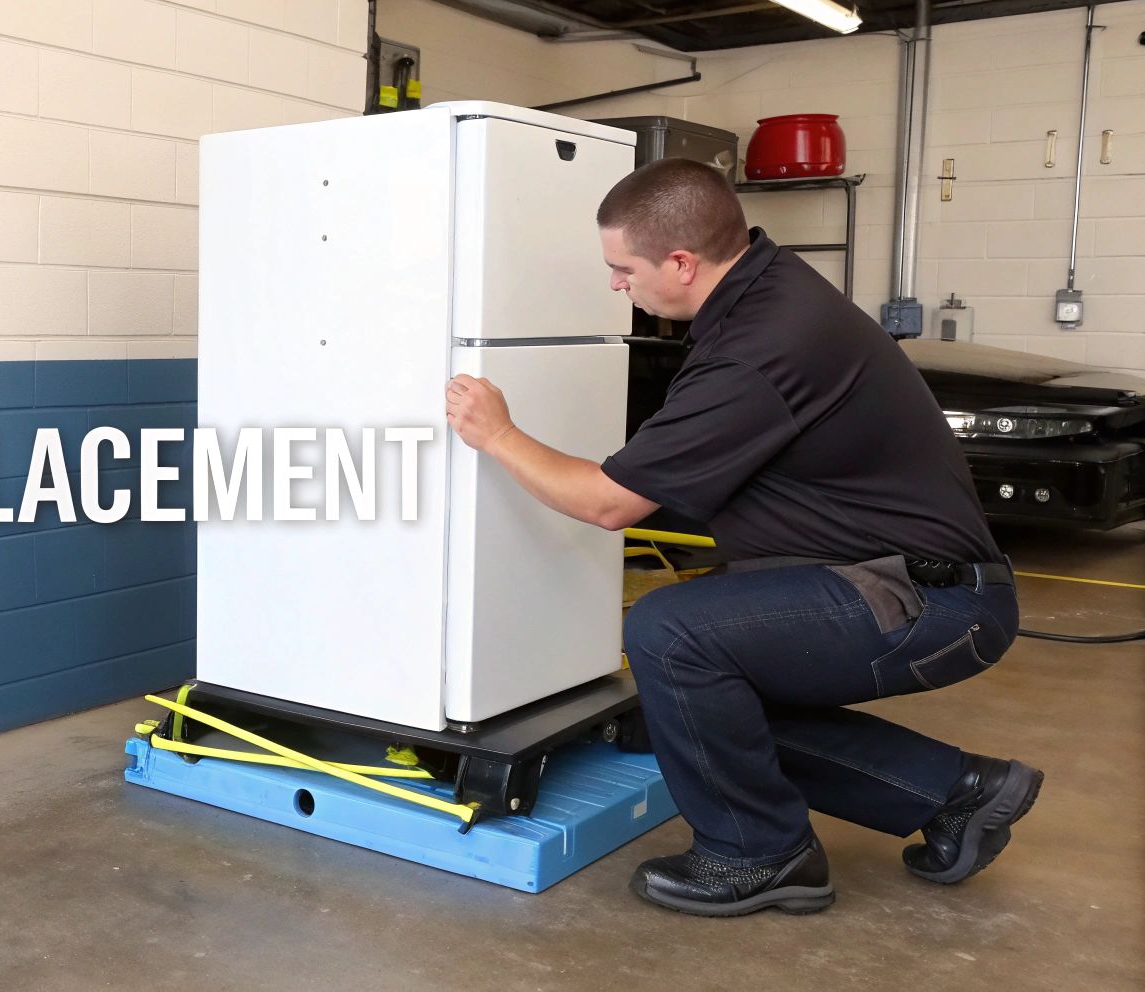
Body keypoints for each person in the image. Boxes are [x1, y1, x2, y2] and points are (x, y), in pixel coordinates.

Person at [442, 158, 1042, 918]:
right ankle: (959, 793)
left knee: (670, 635)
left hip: (927, 603)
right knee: (690, 704)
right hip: (898, 582)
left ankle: (759, 852)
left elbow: (607, 504)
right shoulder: (767, 293)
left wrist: (497, 434)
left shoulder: (759, 348)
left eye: (623, 269)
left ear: (681, 263)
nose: (616, 285)